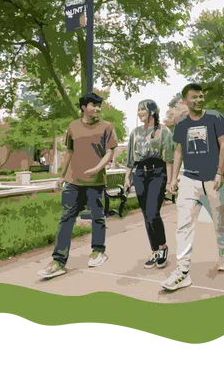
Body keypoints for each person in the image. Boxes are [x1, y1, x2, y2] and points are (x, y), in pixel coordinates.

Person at [38, 92, 118, 279]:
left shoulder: (106, 127)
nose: (97, 108)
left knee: (97, 217)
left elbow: (110, 152)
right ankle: (58, 261)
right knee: (66, 219)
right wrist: (61, 177)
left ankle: (98, 251)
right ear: (84, 107)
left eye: (99, 105)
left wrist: (98, 167)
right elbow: (68, 152)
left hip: (95, 181)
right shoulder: (73, 126)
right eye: (93, 105)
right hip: (73, 181)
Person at [162, 83, 224, 291]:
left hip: (213, 179)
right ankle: (182, 271)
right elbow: (178, 151)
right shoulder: (182, 123)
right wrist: (173, 179)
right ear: (185, 101)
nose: (199, 100)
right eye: (194, 97)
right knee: (183, 225)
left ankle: (223, 253)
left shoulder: (214, 118)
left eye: (201, 96)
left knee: (219, 222)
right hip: (189, 180)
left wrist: (220, 172)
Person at [124, 100, 175, 270]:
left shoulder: (163, 131)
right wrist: (127, 177)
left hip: (157, 172)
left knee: (153, 212)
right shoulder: (135, 132)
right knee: (146, 214)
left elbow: (169, 158)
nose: (139, 113)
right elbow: (130, 158)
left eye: (142, 109)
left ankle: (162, 247)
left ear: (152, 111)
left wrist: (169, 181)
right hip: (139, 174)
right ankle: (154, 251)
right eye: (138, 110)